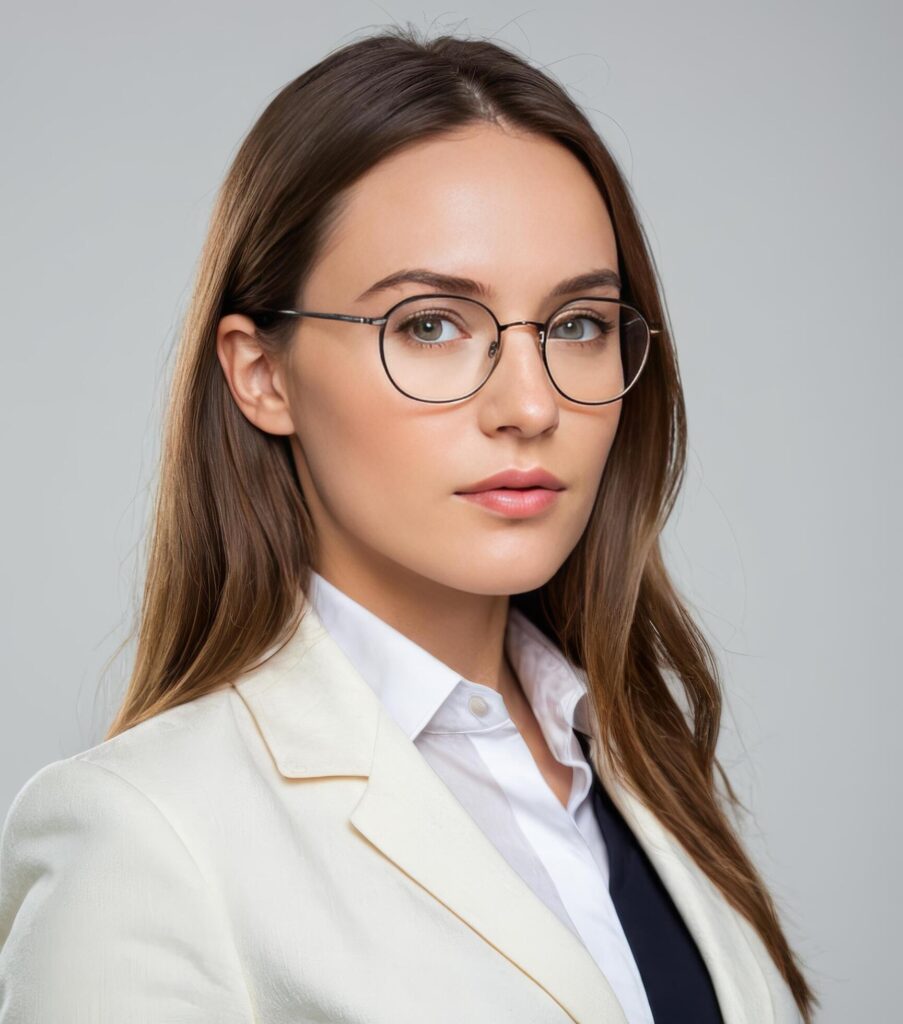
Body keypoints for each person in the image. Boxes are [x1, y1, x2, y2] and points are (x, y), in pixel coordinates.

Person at [0, 26, 818, 1023]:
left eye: (578, 325)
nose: (531, 404)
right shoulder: (149, 838)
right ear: (262, 375)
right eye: (429, 324)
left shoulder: (645, 768)